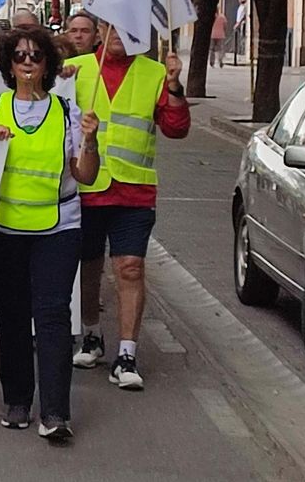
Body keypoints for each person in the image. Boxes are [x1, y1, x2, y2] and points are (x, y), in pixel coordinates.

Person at [0, 26, 101, 443]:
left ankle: (55, 412)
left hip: (58, 229)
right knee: (12, 317)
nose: (27, 63)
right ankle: (16, 400)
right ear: (8, 65)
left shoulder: (67, 111)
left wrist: (90, 141)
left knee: (51, 318)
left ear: (48, 64)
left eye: (35, 56)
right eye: (19, 56)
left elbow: (84, 175)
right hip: (7, 230)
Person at [66, 23, 189, 390]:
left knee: (131, 269)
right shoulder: (78, 69)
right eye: (112, 25)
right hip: (87, 187)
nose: (120, 32)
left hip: (134, 192)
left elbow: (176, 129)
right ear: (102, 30)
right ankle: (91, 336)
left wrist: (174, 87)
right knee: (88, 270)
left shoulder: (154, 73)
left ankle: (127, 355)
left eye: (129, 25)